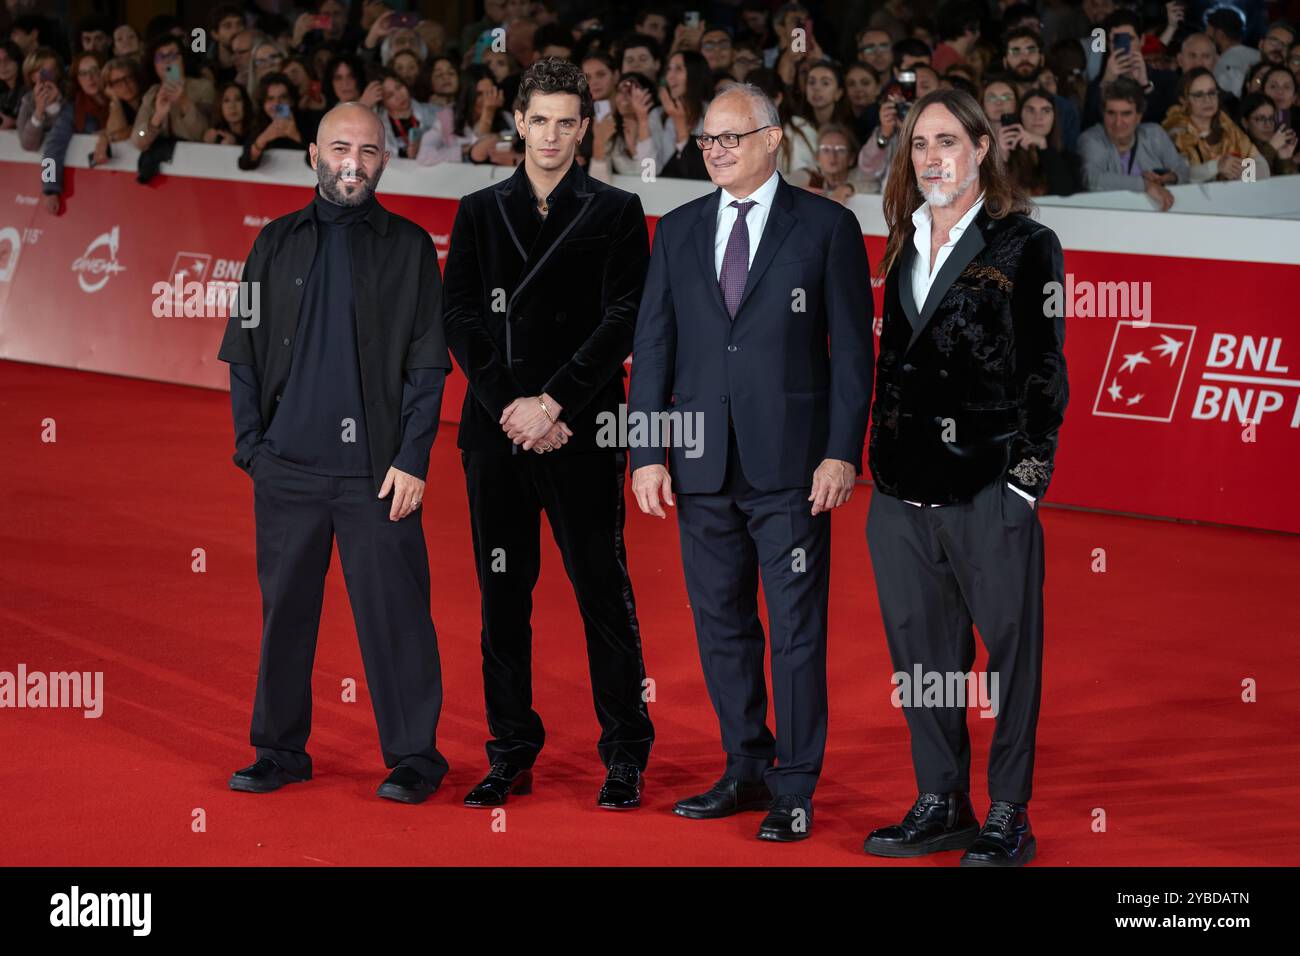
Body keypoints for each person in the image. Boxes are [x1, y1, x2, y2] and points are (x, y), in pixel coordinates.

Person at [627, 83, 873, 843]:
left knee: (796, 629)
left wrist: (840, 452)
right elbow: (656, 345)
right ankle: (744, 767)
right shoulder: (676, 228)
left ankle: (794, 786)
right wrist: (645, 452)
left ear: (774, 140)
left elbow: (853, 356)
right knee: (721, 625)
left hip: (792, 469)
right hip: (700, 467)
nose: (718, 151)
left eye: (733, 137)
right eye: (708, 140)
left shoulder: (827, 227)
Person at [218, 101, 452, 805]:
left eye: (370, 151)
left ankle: (415, 756)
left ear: (385, 159)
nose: (355, 161)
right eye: (342, 147)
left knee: (397, 616)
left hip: (376, 475)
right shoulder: (274, 243)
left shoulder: (409, 247)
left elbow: (427, 363)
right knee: (284, 613)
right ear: (315, 153)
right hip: (286, 467)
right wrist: (251, 450)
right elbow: (244, 351)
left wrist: (413, 458)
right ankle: (279, 750)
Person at [441, 57, 655, 811]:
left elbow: (622, 318)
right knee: (503, 596)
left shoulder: (616, 211)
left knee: (601, 589)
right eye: (541, 120)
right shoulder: (477, 210)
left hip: (582, 431)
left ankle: (626, 751)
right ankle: (510, 750)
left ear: (584, 128)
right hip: (497, 434)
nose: (553, 135)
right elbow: (461, 317)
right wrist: (513, 408)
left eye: (569, 121)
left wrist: (555, 403)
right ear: (519, 123)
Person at [862, 87, 1067, 868]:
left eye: (947, 141)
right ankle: (942, 798)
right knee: (923, 663)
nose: (931, 157)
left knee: (1011, 658)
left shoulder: (1025, 243)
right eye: (918, 145)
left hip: (989, 490)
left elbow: (1046, 369)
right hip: (901, 493)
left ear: (982, 147)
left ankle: (1008, 811)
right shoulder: (901, 239)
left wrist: (1023, 482)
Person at [1078, 77, 1189, 208]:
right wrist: (1145, 185)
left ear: (1139, 117)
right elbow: (1092, 178)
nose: (1118, 122)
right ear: (1103, 114)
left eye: (1126, 114)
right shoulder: (1091, 139)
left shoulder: (1154, 133)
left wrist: (1170, 177)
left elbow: (1183, 169)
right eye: (1111, 113)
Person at [1162, 67, 1269, 181]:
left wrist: (1236, 172)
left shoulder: (1228, 127)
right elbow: (1179, 176)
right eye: (1198, 95)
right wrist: (1216, 167)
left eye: (1212, 93)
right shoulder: (1175, 133)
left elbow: (1263, 168)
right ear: (1183, 100)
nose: (1207, 100)